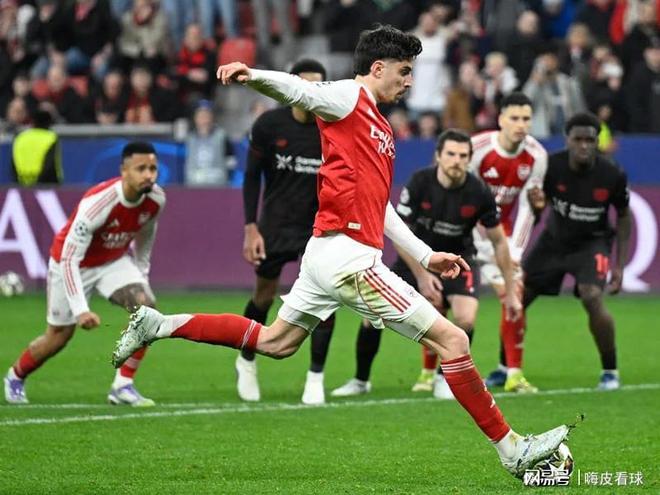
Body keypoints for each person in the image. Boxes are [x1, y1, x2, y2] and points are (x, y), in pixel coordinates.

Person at [112, 26, 572, 479]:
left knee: (276, 342)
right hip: (349, 258)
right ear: (378, 68)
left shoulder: (380, 126)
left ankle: (159, 324)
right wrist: (252, 75)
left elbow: (382, 208)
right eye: (404, 71)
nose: (409, 81)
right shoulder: (349, 97)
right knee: (454, 341)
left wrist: (425, 255)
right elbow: (302, 91)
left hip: (326, 254)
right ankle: (512, 449)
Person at [331, 129, 521, 400]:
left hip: (457, 260)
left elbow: (499, 242)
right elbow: (399, 235)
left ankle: (444, 379)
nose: (457, 161)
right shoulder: (420, 182)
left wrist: (511, 293)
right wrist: (422, 276)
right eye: (451, 154)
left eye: (463, 156)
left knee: (466, 318)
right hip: (415, 258)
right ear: (438, 156)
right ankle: (360, 380)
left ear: (469, 159)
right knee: (372, 316)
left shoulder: (479, 191)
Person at [4, 141, 165, 407]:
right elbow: (69, 259)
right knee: (59, 336)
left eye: (152, 168)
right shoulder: (98, 204)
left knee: (147, 311)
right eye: (141, 169)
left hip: (112, 261)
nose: (148, 175)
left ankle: (123, 385)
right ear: (124, 171)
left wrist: (142, 276)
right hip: (70, 264)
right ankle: (16, 376)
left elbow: (146, 236)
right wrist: (81, 310)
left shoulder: (156, 198)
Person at [236, 59, 335, 405]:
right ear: (291, 86)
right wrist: (251, 227)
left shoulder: (333, 127)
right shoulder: (268, 125)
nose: (309, 92)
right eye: (303, 84)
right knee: (263, 296)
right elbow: (251, 177)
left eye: (316, 86)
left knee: (326, 300)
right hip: (275, 224)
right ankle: (246, 361)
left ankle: (315, 377)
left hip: (319, 226)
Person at [523, 112, 630, 390]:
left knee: (592, 296)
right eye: (578, 139)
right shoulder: (550, 166)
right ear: (567, 140)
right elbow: (536, 208)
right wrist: (536, 211)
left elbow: (623, 215)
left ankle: (610, 371)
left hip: (592, 243)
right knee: (517, 298)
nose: (584, 145)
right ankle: (506, 367)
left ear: (597, 142)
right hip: (554, 241)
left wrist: (619, 266)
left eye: (589, 140)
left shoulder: (612, 174)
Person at [468, 92, 548, 394]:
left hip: (501, 237)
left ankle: (513, 373)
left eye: (526, 119)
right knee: (446, 301)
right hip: (465, 234)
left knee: (514, 294)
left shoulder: (537, 156)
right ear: (500, 119)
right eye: (514, 118)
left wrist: (513, 251)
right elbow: (464, 200)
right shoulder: (477, 149)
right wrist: (484, 247)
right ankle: (431, 374)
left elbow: (528, 208)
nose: (521, 125)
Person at [11, 109, 62, 185]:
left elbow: (13, 162)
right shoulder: (51, 138)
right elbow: (49, 165)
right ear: (49, 123)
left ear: (33, 122)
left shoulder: (20, 137)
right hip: (46, 185)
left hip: (22, 183)